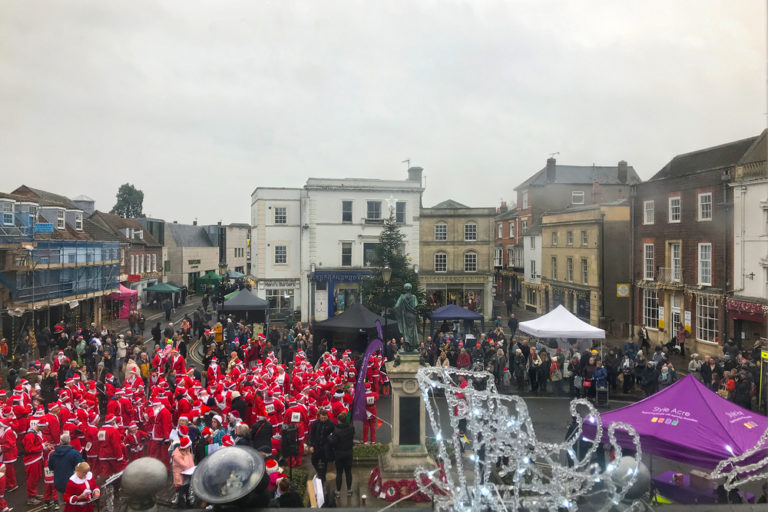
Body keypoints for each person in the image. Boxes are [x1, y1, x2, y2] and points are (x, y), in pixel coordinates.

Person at [48, 433, 84, 505]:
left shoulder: (53, 454)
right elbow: (82, 467)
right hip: (72, 483)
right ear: (69, 441)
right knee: (73, 503)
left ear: (60, 442)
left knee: (61, 503)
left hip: (59, 483)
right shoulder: (75, 453)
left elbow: (50, 468)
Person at [329, 413, 355, 499]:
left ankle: (338, 491)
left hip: (339, 454)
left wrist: (330, 437)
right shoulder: (351, 428)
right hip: (348, 452)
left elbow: (333, 442)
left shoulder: (336, 430)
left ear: (339, 420)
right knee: (348, 472)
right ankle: (349, 490)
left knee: (339, 473)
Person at [308, 409, 334, 485]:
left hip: (325, 446)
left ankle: (323, 476)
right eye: (322, 418)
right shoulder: (315, 423)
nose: (323, 419)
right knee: (313, 460)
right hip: (316, 445)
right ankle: (319, 472)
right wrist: (311, 445)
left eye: (325, 418)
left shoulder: (331, 424)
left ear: (327, 417)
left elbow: (334, 435)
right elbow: (312, 434)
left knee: (325, 462)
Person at [171, 437, 194, 508]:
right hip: (181, 478)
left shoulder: (187, 452)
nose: (190, 447)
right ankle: (180, 506)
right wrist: (186, 455)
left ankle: (188, 503)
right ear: (186, 447)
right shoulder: (177, 455)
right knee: (181, 493)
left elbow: (191, 463)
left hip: (187, 476)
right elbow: (186, 465)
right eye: (189, 446)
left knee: (187, 491)